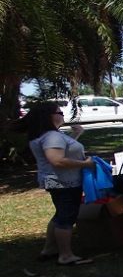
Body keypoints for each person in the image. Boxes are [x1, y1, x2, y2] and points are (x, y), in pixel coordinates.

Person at [23, 102, 95, 265]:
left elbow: (63, 149)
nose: (63, 115)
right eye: (59, 112)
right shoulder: (51, 136)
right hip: (63, 181)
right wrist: (86, 164)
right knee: (66, 217)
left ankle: (49, 248)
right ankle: (66, 255)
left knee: (60, 214)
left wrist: (76, 135)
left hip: (56, 180)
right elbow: (57, 160)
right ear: (49, 116)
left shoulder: (49, 135)